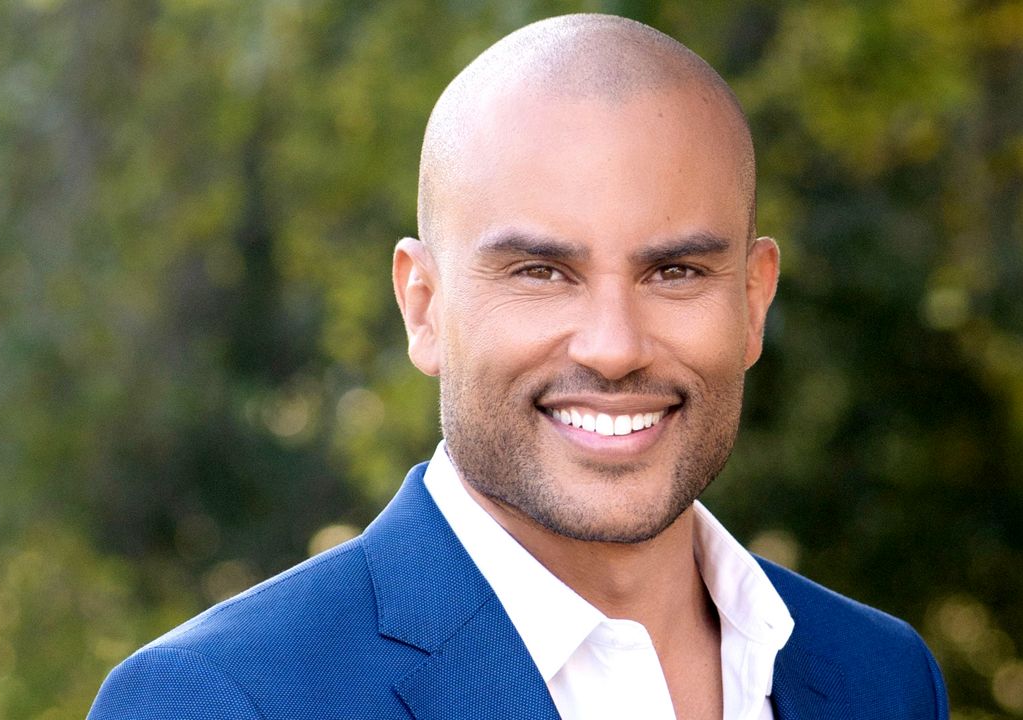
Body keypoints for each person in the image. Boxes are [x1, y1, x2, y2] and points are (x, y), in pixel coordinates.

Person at [89, 13, 948, 720]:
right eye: (541, 273)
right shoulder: (221, 701)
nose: (613, 346)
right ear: (423, 306)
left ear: (754, 301)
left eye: (675, 272)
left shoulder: (881, 677)